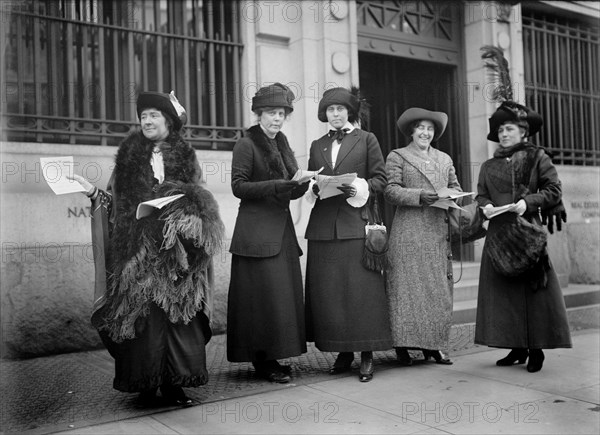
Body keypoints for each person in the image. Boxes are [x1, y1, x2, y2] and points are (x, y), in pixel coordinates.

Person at [70, 91, 225, 406]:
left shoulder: (185, 156)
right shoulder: (128, 156)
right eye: (143, 116)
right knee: (145, 320)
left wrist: (181, 218)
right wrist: (92, 193)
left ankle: (175, 385)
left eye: (154, 115)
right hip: (138, 252)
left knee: (179, 319)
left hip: (176, 252)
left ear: (168, 120)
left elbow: (200, 200)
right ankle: (145, 384)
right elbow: (114, 203)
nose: (148, 121)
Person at [474, 101, 572, 372]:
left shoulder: (537, 156)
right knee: (505, 294)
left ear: (523, 131)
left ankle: (536, 349)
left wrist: (528, 202)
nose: (504, 134)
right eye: (500, 130)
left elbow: (554, 189)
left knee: (533, 293)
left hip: (527, 232)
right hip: (498, 235)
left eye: (509, 128)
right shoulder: (488, 165)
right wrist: (486, 206)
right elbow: (481, 193)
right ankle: (516, 348)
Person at [304, 87, 392, 383]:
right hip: (324, 227)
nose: (336, 114)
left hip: (356, 223)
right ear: (325, 115)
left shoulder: (367, 139)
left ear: (350, 112)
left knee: (361, 293)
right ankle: (343, 350)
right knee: (332, 293)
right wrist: (315, 188)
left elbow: (382, 179)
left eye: (341, 109)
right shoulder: (317, 144)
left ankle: (366, 353)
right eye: (331, 110)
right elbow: (311, 179)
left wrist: (361, 188)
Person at [227, 83, 309, 384]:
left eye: (281, 114)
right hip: (255, 234)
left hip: (281, 232)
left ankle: (274, 357)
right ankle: (263, 362)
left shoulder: (282, 143)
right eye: (271, 113)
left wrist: (304, 184)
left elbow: (290, 189)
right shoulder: (246, 144)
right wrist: (278, 185)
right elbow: (239, 187)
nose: (277, 118)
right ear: (259, 115)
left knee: (279, 300)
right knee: (261, 300)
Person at [384, 107, 459, 367]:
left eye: (430, 129)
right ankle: (402, 345)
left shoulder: (445, 159)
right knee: (404, 289)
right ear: (412, 131)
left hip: (437, 231)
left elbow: (456, 188)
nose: (425, 133)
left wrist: (451, 197)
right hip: (408, 231)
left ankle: (435, 346)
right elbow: (390, 191)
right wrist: (418, 195)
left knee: (437, 289)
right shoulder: (398, 156)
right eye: (420, 128)